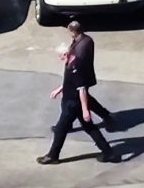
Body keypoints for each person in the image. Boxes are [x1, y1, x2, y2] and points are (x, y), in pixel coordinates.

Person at [40, 33, 118, 165]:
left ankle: (53, 156)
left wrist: (85, 110)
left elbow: (82, 90)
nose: (59, 59)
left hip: (73, 104)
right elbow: (70, 82)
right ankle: (109, 153)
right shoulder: (71, 63)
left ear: (66, 54)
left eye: (60, 56)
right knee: (90, 128)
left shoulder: (75, 68)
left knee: (60, 129)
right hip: (71, 101)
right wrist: (60, 89)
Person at [63, 20, 115, 125]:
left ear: (73, 32)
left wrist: (68, 58)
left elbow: (78, 61)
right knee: (85, 99)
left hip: (80, 77)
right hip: (81, 76)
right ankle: (105, 114)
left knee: (74, 100)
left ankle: (65, 124)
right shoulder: (85, 39)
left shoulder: (82, 45)